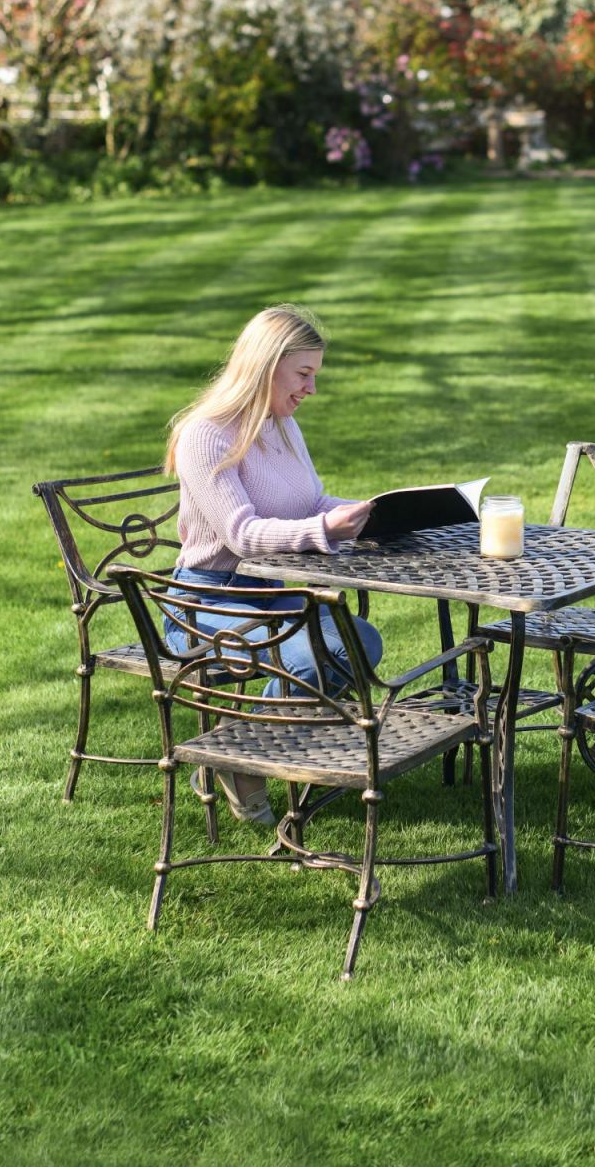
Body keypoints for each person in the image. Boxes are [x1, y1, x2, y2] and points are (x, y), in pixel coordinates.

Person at [163, 303, 381, 824]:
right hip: (205, 600)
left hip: (266, 593)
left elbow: (312, 503)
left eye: (314, 375)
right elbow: (240, 536)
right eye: (303, 374)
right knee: (314, 654)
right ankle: (243, 763)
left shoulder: (282, 426)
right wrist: (324, 531)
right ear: (265, 365)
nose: (311, 388)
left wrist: (371, 512)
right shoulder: (206, 435)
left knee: (359, 641)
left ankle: (236, 756)